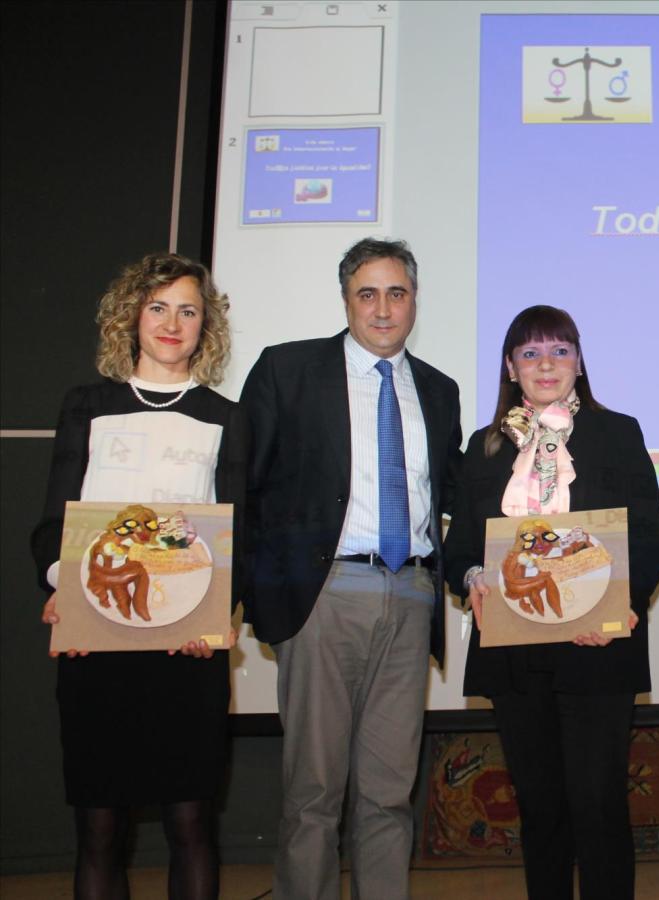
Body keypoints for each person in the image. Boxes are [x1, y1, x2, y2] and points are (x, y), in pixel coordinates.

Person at [240, 238, 462, 900]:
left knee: (390, 795)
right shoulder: (288, 371)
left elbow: (451, 495)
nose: (384, 308)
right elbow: (243, 490)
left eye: (397, 293)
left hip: (412, 595)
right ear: (346, 300)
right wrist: (256, 600)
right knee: (313, 794)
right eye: (368, 293)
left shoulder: (440, 390)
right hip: (323, 599)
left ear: (414, 300)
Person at [31, 252, 246, 899]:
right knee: (99, 829)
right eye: (158, 307)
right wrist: (60, 589)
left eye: (188, 309)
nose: (172, 323)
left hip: (187, 648)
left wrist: (215, 616)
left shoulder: (225, 418)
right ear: (131, 316)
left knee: (191, 823)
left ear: (205, 325)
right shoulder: (86, 406)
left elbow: (240, 533)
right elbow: (52, 525)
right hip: (98, 642)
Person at [443, 305, 659, 900]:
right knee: (540, 807)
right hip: (516, 655)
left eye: (560, 350)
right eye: (530, 353)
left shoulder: (618, 433)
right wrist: (472, 576)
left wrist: (617, 608)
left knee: (597, 803)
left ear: (579, 361)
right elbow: (461, 547)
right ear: (510, 367)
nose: (546, 364)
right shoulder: (485, 446)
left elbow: (651, 538)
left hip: (598, 648)